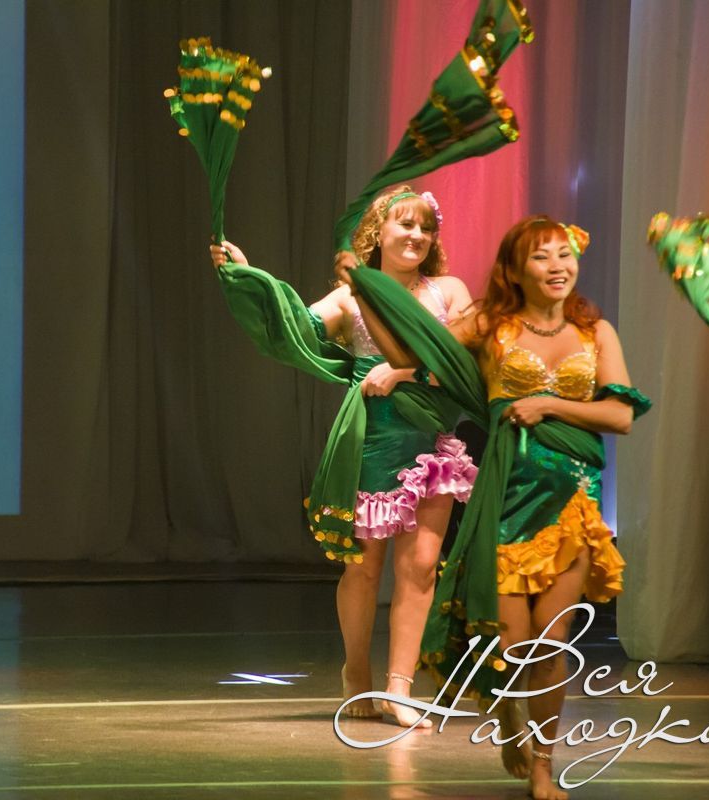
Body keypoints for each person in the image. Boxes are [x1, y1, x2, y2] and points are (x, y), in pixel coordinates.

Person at [350, 215, 649, 800]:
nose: (558, 266)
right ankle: (510, 715)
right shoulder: (490, 323)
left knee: (551, 643)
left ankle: (543, 766)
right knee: (512, 647)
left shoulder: (596, 332)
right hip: (506, 502)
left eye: (565, 254)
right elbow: (412, 350)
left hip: (571, 504)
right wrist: (365, 290)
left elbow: (620, 416)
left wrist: (548, 406)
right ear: (515, 269)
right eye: (542, 256)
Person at [210, 186, 475, 727]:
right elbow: (293, 328)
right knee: (363, 569)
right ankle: (357, 674)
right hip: (371, 442)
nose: (417, 236)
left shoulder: (448, 290)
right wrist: (248, 277)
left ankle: (401, 689)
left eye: (426, 228)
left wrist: (402, 372)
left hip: (430, 442)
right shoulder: (350, 297)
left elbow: (464, 355)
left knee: (421, 566)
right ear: (379, 232)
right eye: (406, 225)